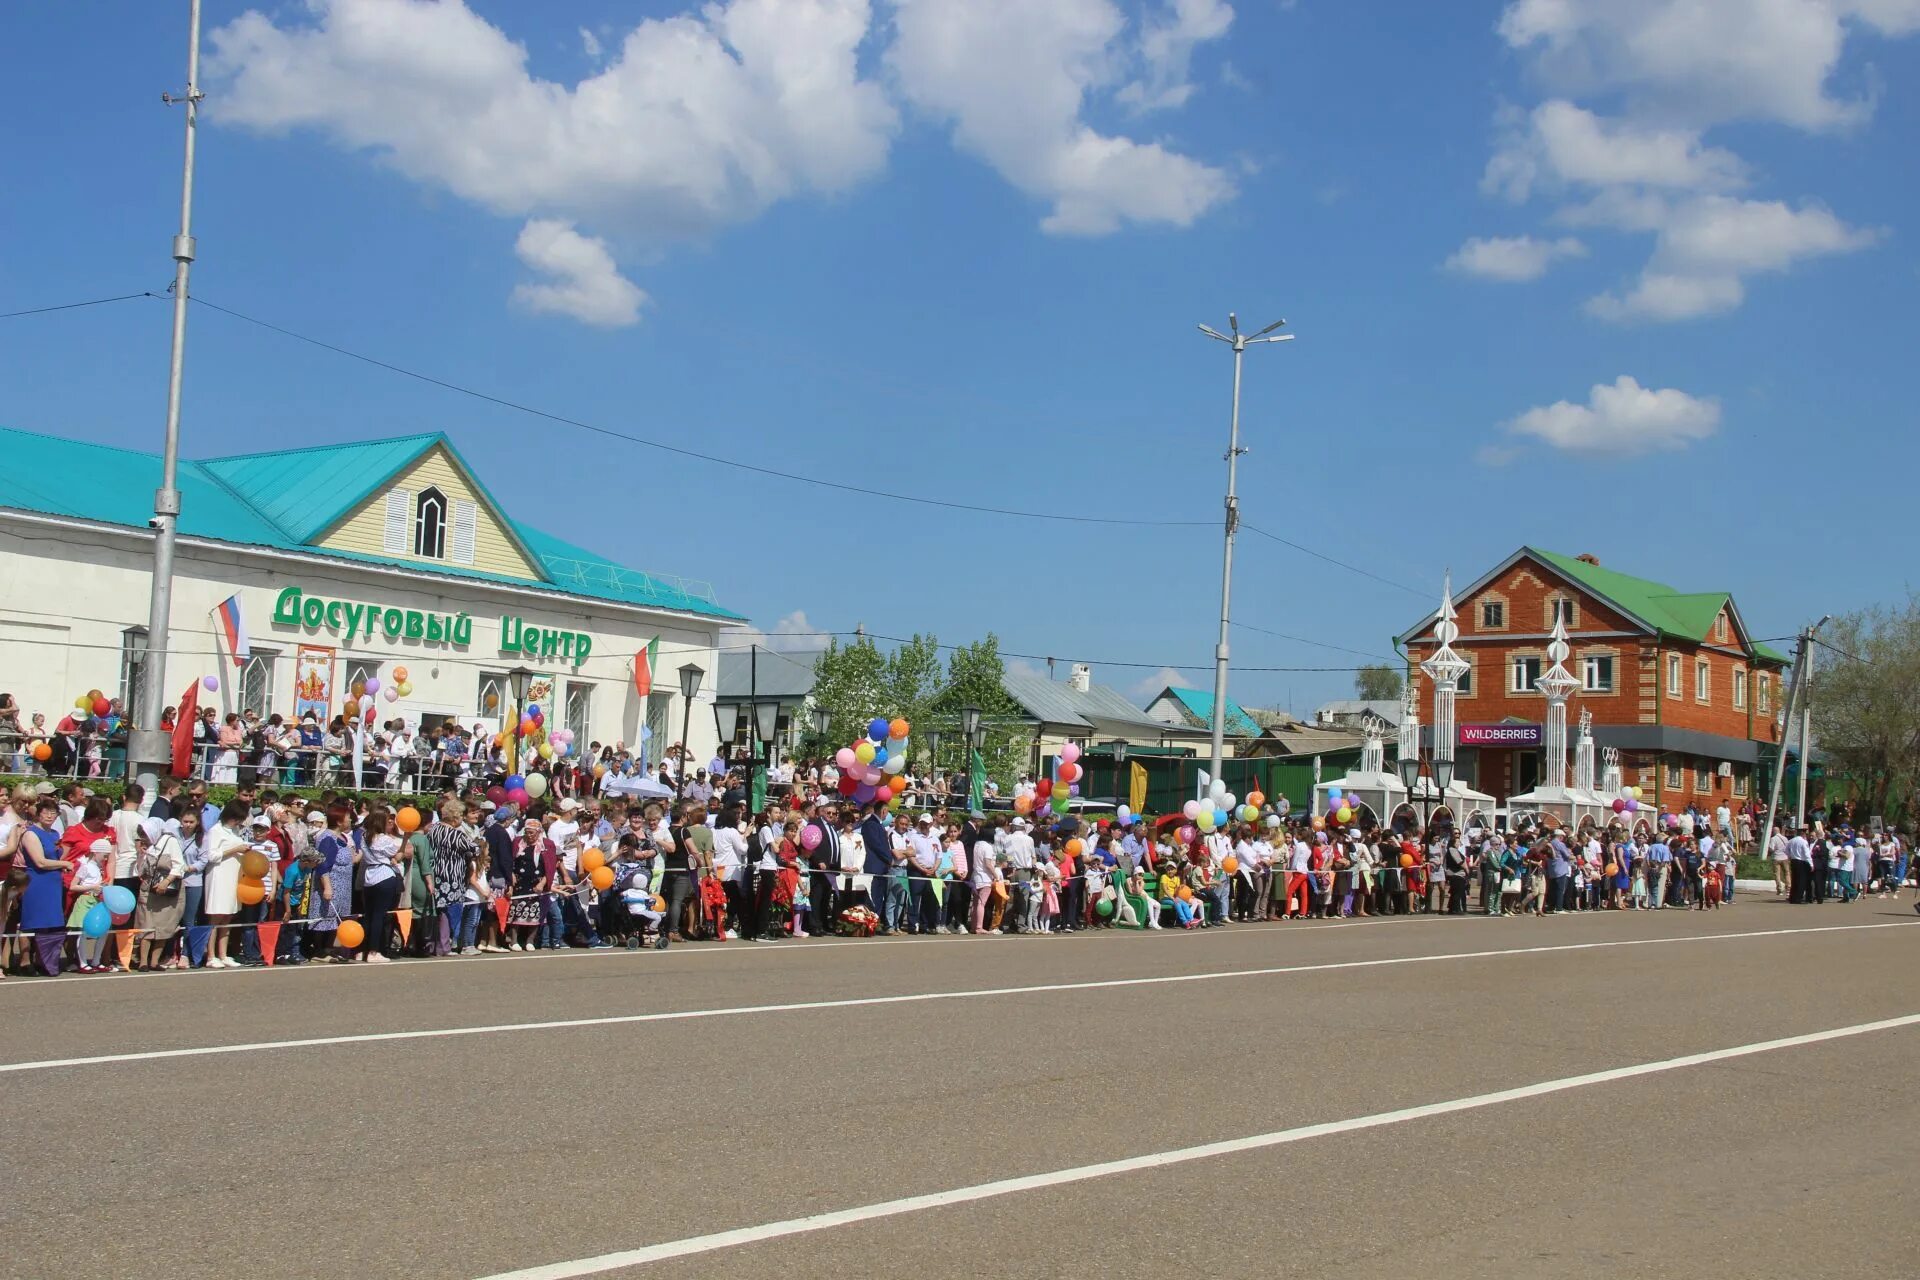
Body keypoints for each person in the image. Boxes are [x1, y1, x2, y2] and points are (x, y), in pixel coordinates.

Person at [18, 797, 74, 974]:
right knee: (31, 921)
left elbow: (57, 856)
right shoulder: (30, 833)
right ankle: (25, 961)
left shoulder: (55, 834)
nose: (49, 816)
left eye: (53, 812)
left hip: (53, 882)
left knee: (50, 923)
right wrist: (63, 864)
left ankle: (44, 961)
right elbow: (40, 862)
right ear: (38, 814)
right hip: (36, 881)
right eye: (45, 812)